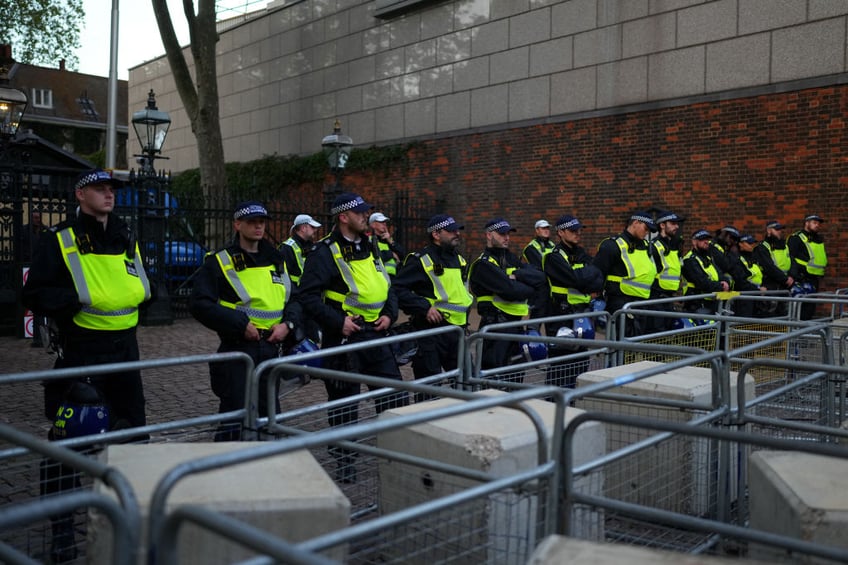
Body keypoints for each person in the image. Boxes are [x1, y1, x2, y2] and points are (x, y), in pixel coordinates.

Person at [22, 168, 152, 563]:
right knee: (69, 444)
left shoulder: (126, 236)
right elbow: (35, 294)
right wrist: (73, 303)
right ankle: (62, 531)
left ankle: (126, 517)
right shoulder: (59, 239)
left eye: (112, 189)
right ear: (80, 195)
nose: (109, 195)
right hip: (82, 354)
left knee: (132, 439)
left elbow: (142, 287)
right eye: (100, 188)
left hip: (125, 353)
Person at [298, 192, 409, 482]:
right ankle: (345, 461)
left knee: (393, 394)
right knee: (344, 403)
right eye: (360, 213)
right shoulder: (324, 252)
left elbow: (388, 286)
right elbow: (307, 297)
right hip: (346, 339)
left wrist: (390, 313)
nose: (366, 216)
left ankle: (394, 452)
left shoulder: (371, 246)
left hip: (377, 334)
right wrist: (338, 323)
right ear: (344, 217)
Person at [190, 200, 302, 441]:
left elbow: (294, 299)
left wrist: (288, 325)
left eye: (262, 222)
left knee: (271, 417)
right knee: (234, 417)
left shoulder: (277, 259)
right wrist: (239, 325)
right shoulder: (219, 260)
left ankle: (268, 467)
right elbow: (199, 304)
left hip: (272, 347)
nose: (258, 227)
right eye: (252, 222)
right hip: (238, 349)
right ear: (237, 224)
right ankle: (228, 469)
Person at [393, 214, 473, 401]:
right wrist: (424, 308)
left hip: (458, 333)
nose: (457, 234)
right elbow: (397, 288)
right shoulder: (420, 259)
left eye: (457, 230)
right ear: (436, 234)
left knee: (467, 385)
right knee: (429, 390)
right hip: (431, 334)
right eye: (451, 230)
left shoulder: (459, 260)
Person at [468, 218, 546, 380]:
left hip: (516, 326)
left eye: (508, 234)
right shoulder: (483, 264)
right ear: (489, 235)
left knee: (515, 377)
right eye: (502, 234)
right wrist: (526, 286)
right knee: (494, 379)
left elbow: (540, 278)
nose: (507, 238)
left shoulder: (511, 258)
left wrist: (516, 275)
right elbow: (510, 291)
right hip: (495, 328)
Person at [543, 215, 604, 388]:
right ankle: (554, 404)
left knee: (580, 362)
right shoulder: (553, 257)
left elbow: (599, 279)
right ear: (561, 232)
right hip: (560, 316)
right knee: (561, 366)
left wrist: (583, 278)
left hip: (581, 314)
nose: (578, 233)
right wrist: (586, 278)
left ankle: (570, 404)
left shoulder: (581, 253)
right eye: (572, 230)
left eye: (579, 230)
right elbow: (574, 280)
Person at [592, 211, 658, 335]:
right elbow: (597, 275)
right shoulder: (612, 245)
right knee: (621, 346)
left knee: (636, 346)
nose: (647, 232)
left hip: (642, 304)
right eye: (646, 228)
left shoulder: (646, 247)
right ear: (635, 223)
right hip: (620, 304)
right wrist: (598, 299)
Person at [648, 210, 685, 332]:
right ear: (662, 225)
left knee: (668, 333)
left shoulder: (674, 247)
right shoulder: (654, 246)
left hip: (668, 299)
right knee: (656, 334)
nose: (677, 226)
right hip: (656, 298)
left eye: (677, 224)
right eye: (673, 223)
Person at [681, 229, 730, 314]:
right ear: (694, 242)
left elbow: (720, 274)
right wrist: (720, 286)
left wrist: (726, 282)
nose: (706, 242)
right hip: (697, 303)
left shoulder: (707, 258)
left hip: (712, 301)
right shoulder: (689, 260)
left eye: (707, 239)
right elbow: (701, 281)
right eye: (702, 239)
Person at [788, 214, 827, 320]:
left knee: (810, 307)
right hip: (801, 278)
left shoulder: (818, 239)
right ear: (806, 223)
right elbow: (790, 258)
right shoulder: (796, 238)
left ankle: (805, 332)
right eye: (814, 223)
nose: (817, 225)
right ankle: (797, 332)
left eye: (818, 223)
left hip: (814, 278)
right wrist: (794, 275)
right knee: (800, 308)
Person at [754, 220, 794, 315]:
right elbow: (769, 267)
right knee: (770, 315)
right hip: (770, 285)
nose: (780, 231)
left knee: (784, 315)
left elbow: (793, 262)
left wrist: (792, 276)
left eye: (780, 229)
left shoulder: (785, 246)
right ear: (769, 231)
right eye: (777, 229)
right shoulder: (762, 247)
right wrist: (785, 278)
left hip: (784, 286)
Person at [522, 219, 555, 322]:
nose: (546, 230)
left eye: (547, 228)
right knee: (536, 321)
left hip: (552, 290)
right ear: (537, 230)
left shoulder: (553, 245)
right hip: (539, 291)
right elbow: (541, 266)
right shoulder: (531, 248)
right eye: (543, 228)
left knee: (552, 323)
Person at [280, 213, 322, 285]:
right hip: (294, 293)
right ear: (303, 228)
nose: (316, 230)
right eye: (312, 227)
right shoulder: (287, 248)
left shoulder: (312, 246)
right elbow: (282, 275)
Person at [737, 234, 768, 317]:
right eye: (749, 243)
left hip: (756, 295)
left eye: (753, 243)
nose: (752, 246)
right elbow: (741, 280)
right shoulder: (737, 258)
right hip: (744, 297)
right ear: (741, 244)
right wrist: (758, 289)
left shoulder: (753, 257)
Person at [369, 211, 405, 277]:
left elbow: (402, 254)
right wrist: (392, 254)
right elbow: (375, 256)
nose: (384, 224)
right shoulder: (369, 240)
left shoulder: (388, 240)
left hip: (392, 278)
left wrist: (391, 241)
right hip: (378, 276)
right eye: (381, 222)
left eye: (385, 222)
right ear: (373, 224)